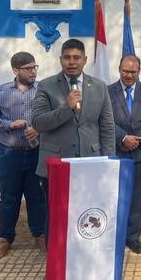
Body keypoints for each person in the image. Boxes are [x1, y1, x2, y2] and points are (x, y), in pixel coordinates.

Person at [32, 39, 115, 237]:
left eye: (76, 58)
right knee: (56, 215)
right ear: (60, 60)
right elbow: (39, 123)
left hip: (90, 162)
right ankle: (57, 257)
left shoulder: (99, 87)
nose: (72, 62)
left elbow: (107, 126)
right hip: (57, 164)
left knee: (88, 212)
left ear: (85, 60)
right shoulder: (46, 86)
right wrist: (66, 107)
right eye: (67, 58)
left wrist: (108, 161)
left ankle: (85, 254)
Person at [0, 52, 46, 260]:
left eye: (35, 67)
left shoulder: (44, 91)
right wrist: (8, 125)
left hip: (36, 152)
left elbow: (54, 116)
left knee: (37, 197)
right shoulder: (0, 92)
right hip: (8, 154)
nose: (33, 72)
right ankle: (5, 239)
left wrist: (39, 128)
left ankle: (41, 235)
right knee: (9, 197)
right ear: (16, 71)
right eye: (28, 68)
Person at [107, 54, 141, 254]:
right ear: (119, 69)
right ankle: (115, 235)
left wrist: (135, 139)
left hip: (139, 151)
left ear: (139, 71)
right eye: (125, 71)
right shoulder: (108, 91)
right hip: (116, 151)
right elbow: (105, 120)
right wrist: (122, 138)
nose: (128, 75)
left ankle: (132, 237)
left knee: (136, 197)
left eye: (133, 72)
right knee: (115, 195)